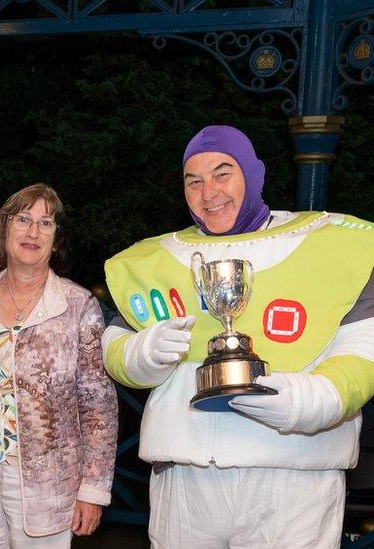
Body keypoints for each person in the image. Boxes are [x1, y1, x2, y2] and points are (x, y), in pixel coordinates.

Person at [102, 125, 374, 548]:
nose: (208, 191)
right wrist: (141, 355)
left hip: (292, 476)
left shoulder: (332, 245)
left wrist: (314, 401)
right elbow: (115, 344)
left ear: (253, 174)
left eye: (222, 173)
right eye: (194, 180)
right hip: (186, 478)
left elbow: (364, 348)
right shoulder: (154, 259)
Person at [0, 184, 118, 548]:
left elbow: (98, 406)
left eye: (45, 223)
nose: (32, 232)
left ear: (56, 239)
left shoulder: (78, 306)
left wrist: (93, 490)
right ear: (4, 229)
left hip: (48, 486)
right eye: (23, 219)